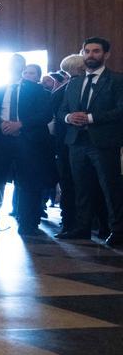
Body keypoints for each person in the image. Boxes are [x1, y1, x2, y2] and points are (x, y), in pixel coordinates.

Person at [56, 37, 123, 247]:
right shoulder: (74, 83)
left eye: (95, 51)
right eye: (87, 51)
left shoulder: (117, 80)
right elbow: (62, 111)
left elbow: (120, 110)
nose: (90, 55)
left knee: (110, 187)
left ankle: (118, 230)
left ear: (106, 55)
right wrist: (69, 118)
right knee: (81, 187)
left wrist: (90, 118)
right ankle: (82, 227)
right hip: (76, 141)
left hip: (103, 142)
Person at [0, 54, 56, 237]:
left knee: (28, 182)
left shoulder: (37, 90)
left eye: (18, 64)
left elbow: (46, 114)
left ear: (24, 67)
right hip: (2, 141)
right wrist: (1, 126)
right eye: (11, 64)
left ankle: (27, 223)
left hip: (29, 142)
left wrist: (20, 124)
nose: (14, 67)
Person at [51, 54, 86, 233]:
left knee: (69, 183)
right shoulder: (74, 87)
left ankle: (69, 222)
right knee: (79, 183)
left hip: (66, 141)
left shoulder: (63, 89)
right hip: (74, 140)